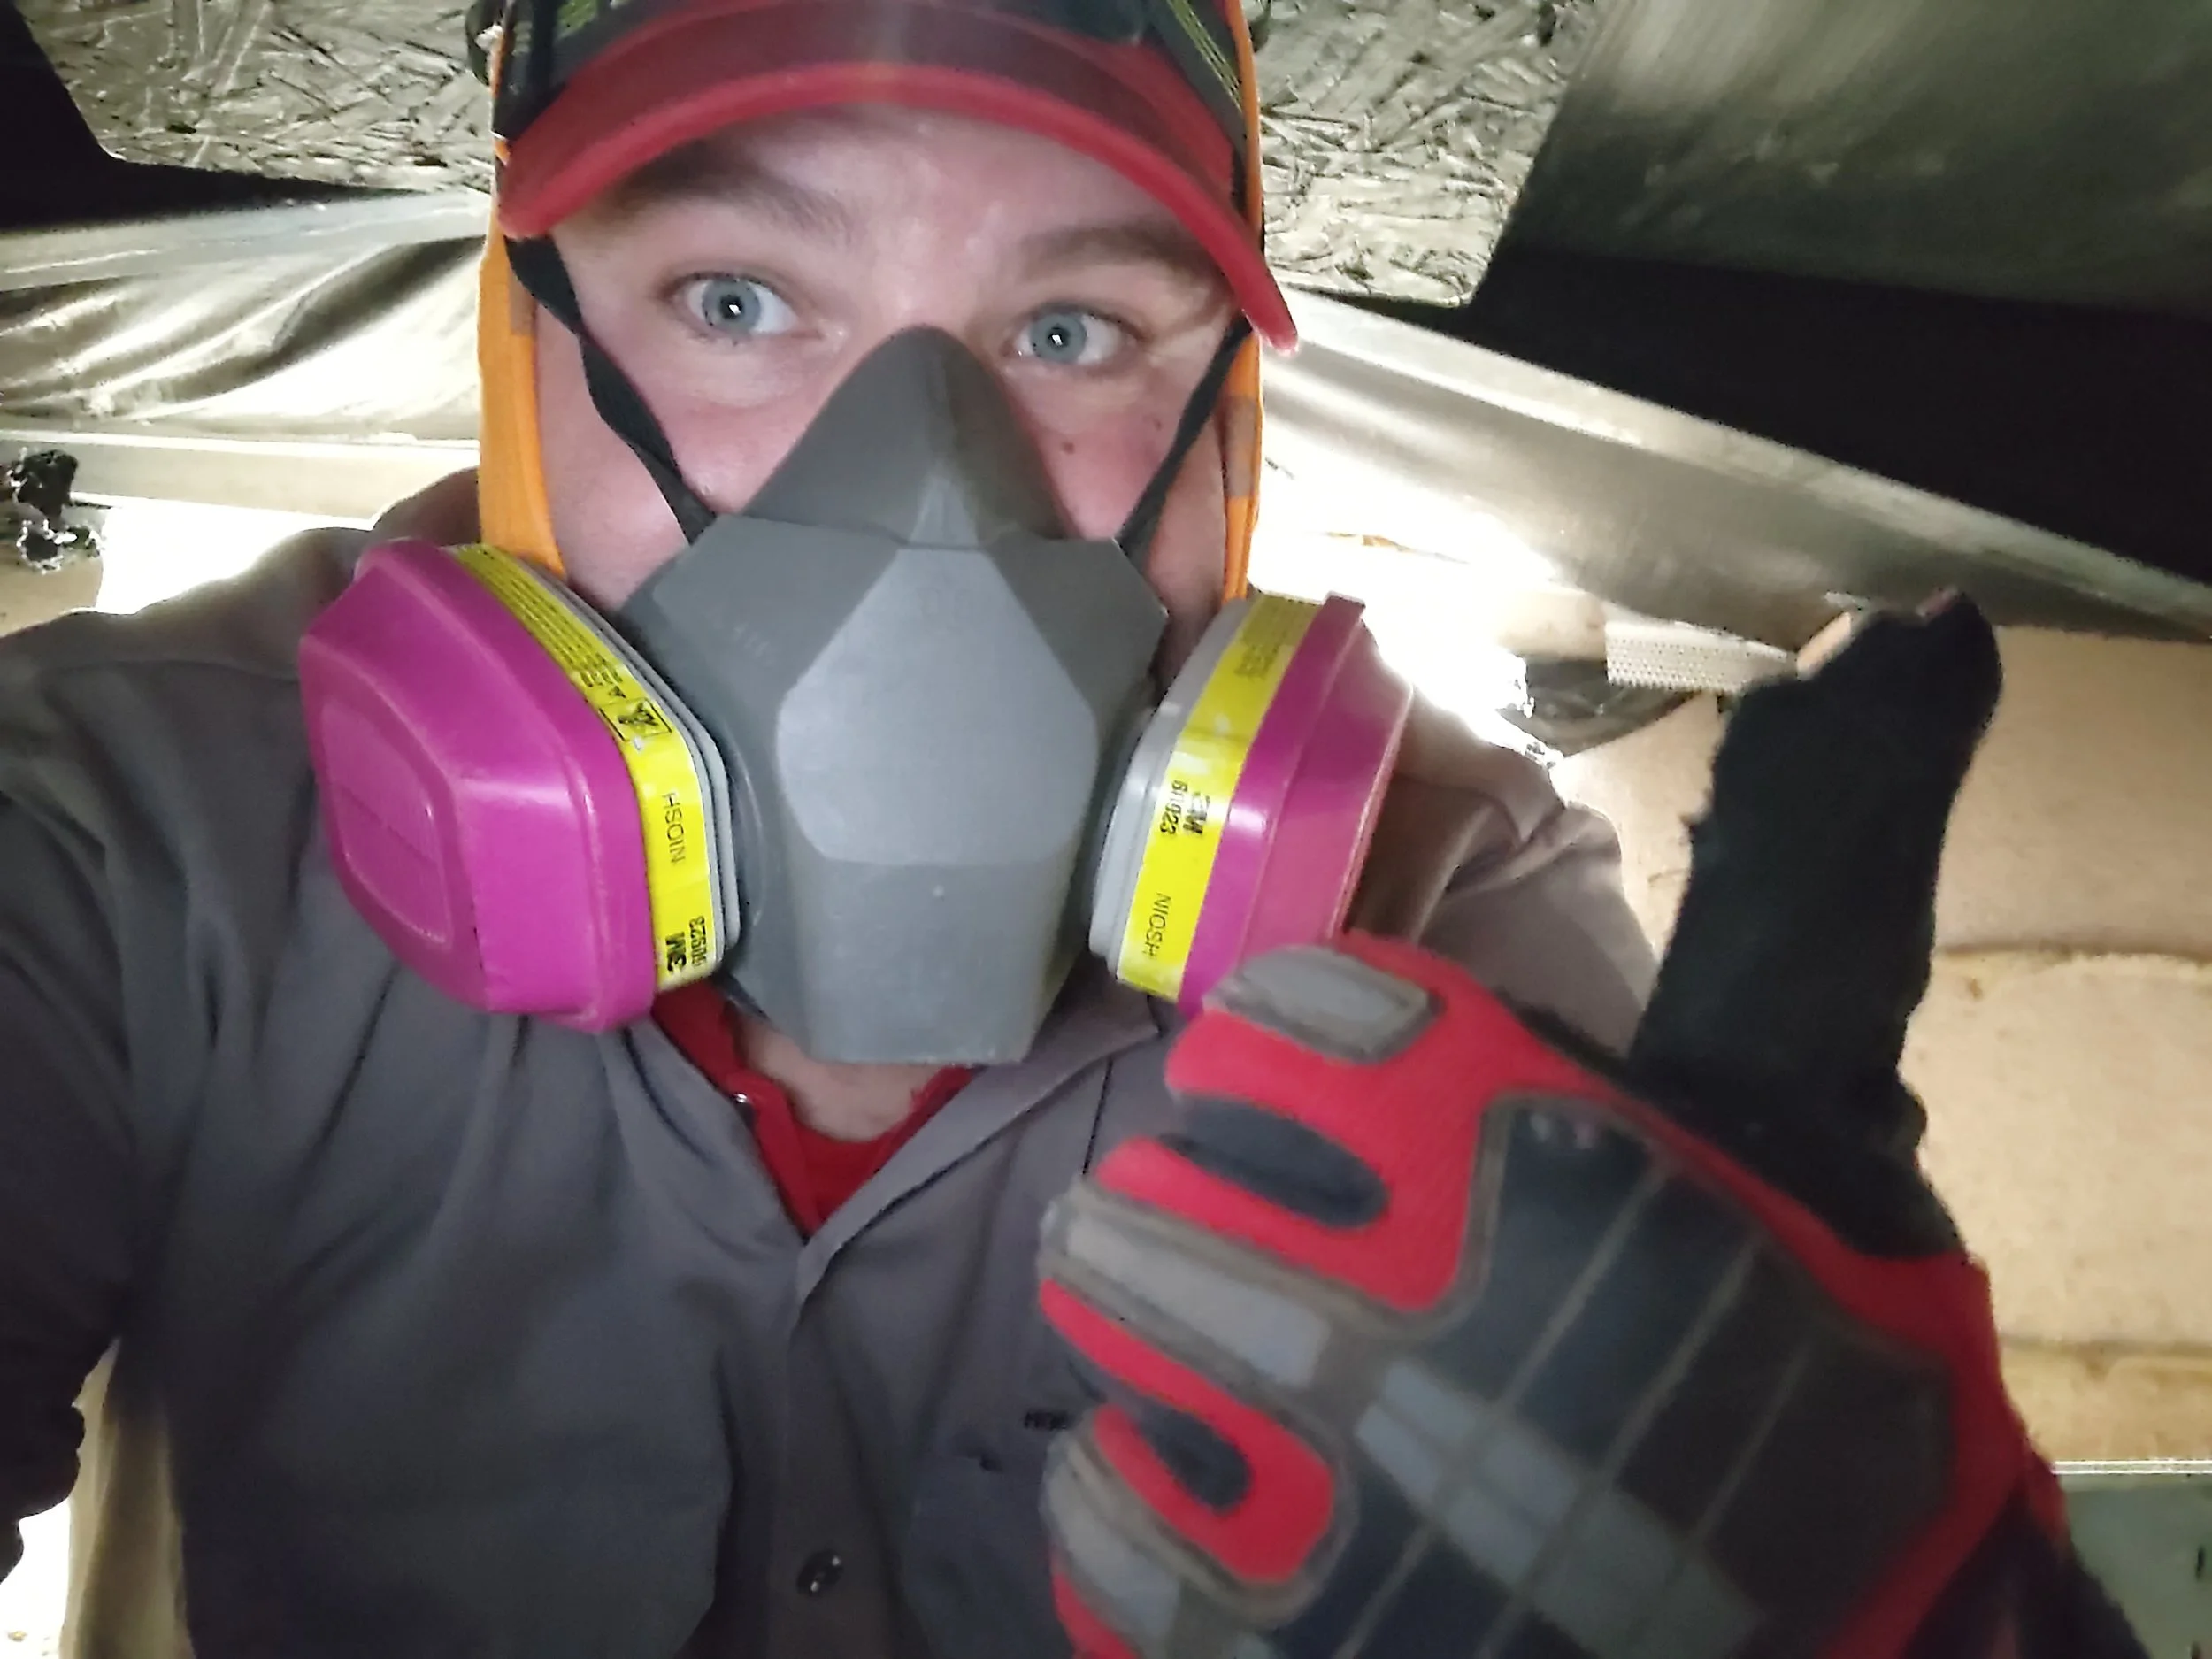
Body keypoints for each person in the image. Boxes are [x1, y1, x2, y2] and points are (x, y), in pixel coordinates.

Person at [0, 3, 1655, 1655]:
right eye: (738, 301)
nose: (929, 487)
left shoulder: (1448, 907)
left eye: (1073, 329)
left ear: (1229, 430)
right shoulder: (121, 821)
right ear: (525, 364)